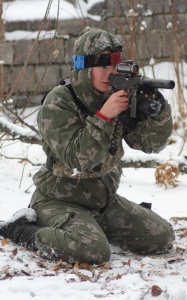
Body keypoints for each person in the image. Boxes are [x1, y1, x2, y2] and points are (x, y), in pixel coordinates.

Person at [0, 29, 175, 264]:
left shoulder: (115, 95)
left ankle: (93, 226)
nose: (109, 74)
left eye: (114, 66)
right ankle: (22, 230)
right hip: (59, 200)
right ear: (84, 68)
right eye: (102, 66)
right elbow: (78, 160)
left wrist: (158, 113)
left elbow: (150, 144)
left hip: (103, 202)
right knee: (94, 251)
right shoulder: (59, 102)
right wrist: (104, 116)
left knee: (161, 237)